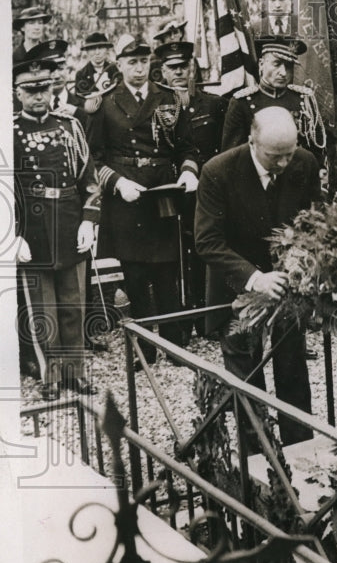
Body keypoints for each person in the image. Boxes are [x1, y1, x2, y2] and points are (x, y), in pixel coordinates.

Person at [195, 107, 321, 446]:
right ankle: (259, 463)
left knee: (293, 372)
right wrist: (255, 278)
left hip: (288, 290)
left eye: (288, 154)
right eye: (274, 156)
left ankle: (302, 451)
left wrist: (306, 263)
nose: (283, 164)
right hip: (237, 289)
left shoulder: (304, 162)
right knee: (247, 381)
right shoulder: (218, 171)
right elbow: (207, 242)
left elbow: (315, 223)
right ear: (252, 141)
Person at [90, 34, 199, 357]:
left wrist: (189, 171)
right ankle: (144, 348)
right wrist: (118, 183)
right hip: (127, 197)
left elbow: (187, 147)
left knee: (168, 270)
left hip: (162, 193)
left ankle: (174, 342)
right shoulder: (104, 103)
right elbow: (94, 159)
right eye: (131, 61)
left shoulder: (169, 97)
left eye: (142, 61)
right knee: (136, 274)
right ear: (119, 64)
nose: (138, 68)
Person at [13, 57, 101, 400]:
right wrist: (14, 233)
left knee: (73, 303)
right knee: (41, 307)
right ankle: (49, 375)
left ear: (53, 89)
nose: (38, 97)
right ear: (18, 93)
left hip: (68, 221)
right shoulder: (9, 132)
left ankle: (75, 373)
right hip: (32, 228)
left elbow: (90, 181)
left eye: (44, 89)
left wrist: (89, 221)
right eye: (30, 91)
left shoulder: (70, 127)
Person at [155, 40, 229, 331]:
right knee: (173, 256)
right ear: (162, 71)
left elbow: (224, 150)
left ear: (192, 68)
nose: (179, 73)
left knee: (205, 253)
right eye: (172, 68)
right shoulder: (157, 105)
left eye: (184, 67)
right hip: (169, 193)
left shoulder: (213, 104)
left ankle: (208, 318)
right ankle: (182, 320)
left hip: (206, 194)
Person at [220, 37, 326, 169]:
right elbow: (232, 156)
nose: (283, 73)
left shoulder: (303, 100)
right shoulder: (242, 103)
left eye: (288, 66)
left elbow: (316, 150)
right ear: (261, 64)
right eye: (277, 64)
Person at [74, 32, 119, 111]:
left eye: (101, 47)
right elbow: (80, 101)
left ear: (107, 50)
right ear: (87, 51)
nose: (97, 52)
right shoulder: (81, 74)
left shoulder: (115, 70)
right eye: (93, 48)